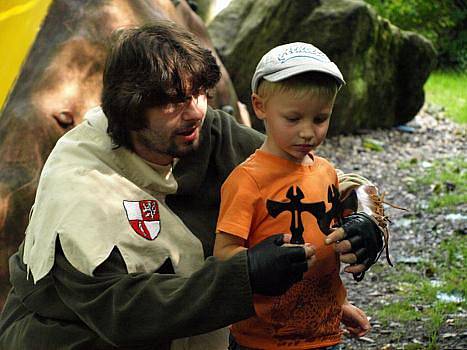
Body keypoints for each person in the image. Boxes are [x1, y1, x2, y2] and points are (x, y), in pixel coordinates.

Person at [0, 22, 387, 350]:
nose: (196, 111)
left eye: (199, 93)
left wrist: (364, 217)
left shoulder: (205, 133)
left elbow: (309, 173)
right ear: (129, 110)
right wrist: (247, 277)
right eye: (173, 101)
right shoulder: (79, 186)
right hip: (72, 335)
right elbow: (122, 311)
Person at [214, 42, 372, 349]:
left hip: (324, 335)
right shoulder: (247, 180)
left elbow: (329, 246)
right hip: (261, 339)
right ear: (260, 107)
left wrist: (338, 306)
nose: (307, 132)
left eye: (320, 118)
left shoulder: (326, 173)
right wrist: (254, 263)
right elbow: (223, 253)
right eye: (293, 118)